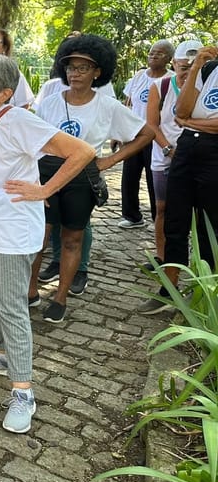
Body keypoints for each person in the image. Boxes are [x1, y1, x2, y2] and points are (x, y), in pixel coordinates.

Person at [0, 53, 95, 434]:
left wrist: (45, 190)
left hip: (9, 233)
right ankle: (0, 356)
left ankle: (23, 392)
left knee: (12, 307)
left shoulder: (16, 119)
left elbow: (82, 151)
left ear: (4, 93)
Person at [29, 34, 154, 323]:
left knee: (73, 237)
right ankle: (30, 291)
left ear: (98, 72)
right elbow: (34, 141)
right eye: (71, 67)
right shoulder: (49, 103)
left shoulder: (107, 106)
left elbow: (146, 133)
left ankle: (60, 298)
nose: (75, 73)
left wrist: (109, 160)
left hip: (82, 177)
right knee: (39, 236)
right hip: (47, 172)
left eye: (83, 68)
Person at [138, 43, 218, 314]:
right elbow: (180, 112)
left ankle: (205, 297)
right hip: (187, 149)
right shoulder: (208, 71)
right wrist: (196, 67)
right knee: (175, 223)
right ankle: (168, 292)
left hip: (214, 155)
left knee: (209, 228)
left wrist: (192, 122)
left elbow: (188, 119)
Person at [140, 40, 201, 283]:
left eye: (191, 67)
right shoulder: (161, 86)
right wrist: (167, 148)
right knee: (162, 209)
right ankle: (163, 257)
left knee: (197, 212)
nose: (185, 72)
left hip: (193, 157)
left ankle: (197, 261)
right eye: (182, 66)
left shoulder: (203, 87)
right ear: (173, 63)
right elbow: (152, 124)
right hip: (163, 157)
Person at [118, 40, 174, 229]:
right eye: (151, 53)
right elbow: (127, 104)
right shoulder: (139, 76)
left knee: (154, 176)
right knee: (130, 176)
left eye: (159, 53)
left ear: (169, 58)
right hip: (134, 134)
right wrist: (121, 132)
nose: (153, 56)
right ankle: (132, 216)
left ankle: (156, 217)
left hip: (156, 136)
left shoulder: (170, 80)